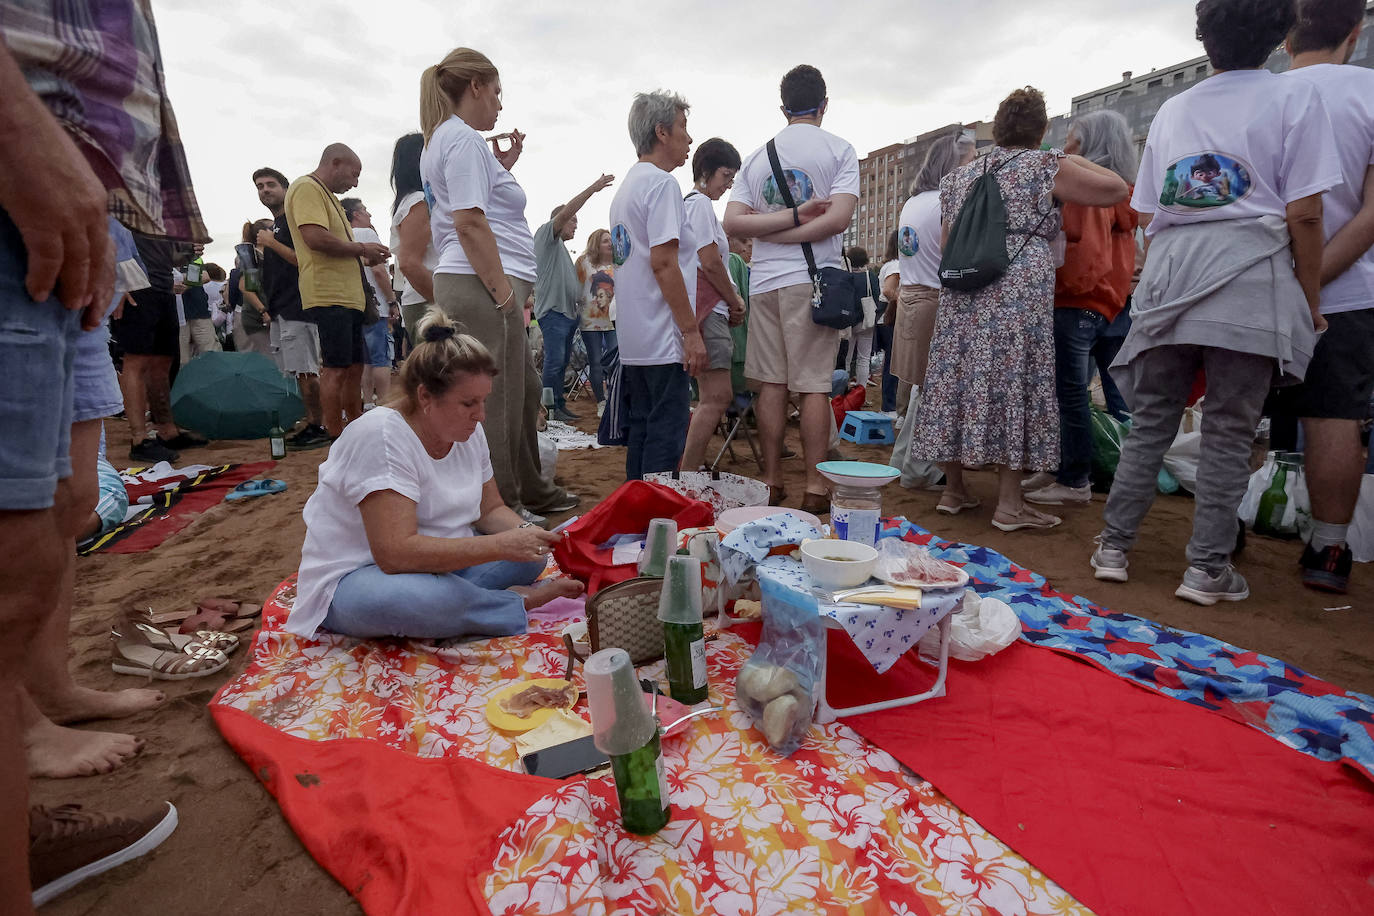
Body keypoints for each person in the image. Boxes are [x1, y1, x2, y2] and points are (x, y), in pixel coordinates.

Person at [0, 2, 202, 904]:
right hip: (29, 175)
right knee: (12, 557)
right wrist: (17, 131)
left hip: (78, 202)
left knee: (59, 516)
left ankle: (41, 707)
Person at [1090, 0, 1338, 605]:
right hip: (1250, 270)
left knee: (1151, 420)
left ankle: (1113, 548)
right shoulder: (1295, 98)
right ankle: (1206, 569)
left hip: (1173, 271)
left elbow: (1148, 209)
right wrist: (1311, 299)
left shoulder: (1174, 108)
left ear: (1204, 38)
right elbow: (1304, 211)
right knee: (1229, 428)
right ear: (1281, 36)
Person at [287, 311, 584, 640]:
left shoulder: (469, 430)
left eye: (483, 400)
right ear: (425, 396)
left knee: (530, 560)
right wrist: (500, 546)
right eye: (469, 402)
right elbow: (395, 553)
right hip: (361, 577)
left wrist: (530, 536)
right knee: (417, 600)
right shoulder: (380, 436)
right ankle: (510, 602)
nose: (481, 415)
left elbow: (489, 511)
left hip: (438, 563)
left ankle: (465, 602)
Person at [912, 87, 1128, 531]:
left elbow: (950, 239)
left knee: (957, 375)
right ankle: (1009, 506)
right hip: (1016, 282)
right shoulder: (1042, 166)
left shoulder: (958, 178)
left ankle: (954, 491)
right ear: (1042, 129)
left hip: (964, 283)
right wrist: (1065, 156)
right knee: (1016, 380)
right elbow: (1115, 189)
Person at [419, 47, 578, 521]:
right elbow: (467, 223)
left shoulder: (446, 141)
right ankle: (502, 505)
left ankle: (525, 487)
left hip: (478, 277)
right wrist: (504, 294)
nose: (500, 105)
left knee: (522, 391)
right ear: (475, 87)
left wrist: (500, 168)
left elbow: (469, 209)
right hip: (483, 281)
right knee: (497, 401)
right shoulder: (463, 140)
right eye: (497, 91)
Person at [1271, 0, 1374, 593]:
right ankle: (1329, 551)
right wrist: (1314, 285)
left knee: (1234, 411)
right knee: (1335, 414)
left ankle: (1217, 534)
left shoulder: (1259, 96)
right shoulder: (1368, 91)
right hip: (1348, 289)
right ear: (1354, 35)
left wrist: (1287, 283)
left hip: (1254, 287)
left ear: (1286, 40)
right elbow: (1369, 214)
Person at [723, 64, 857, 513]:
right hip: (812, 280)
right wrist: (800, 220)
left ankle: (772, 479)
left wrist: (773, 234)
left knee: (771, 386)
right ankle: (816, 487)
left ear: (783, 108)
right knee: (814, 386)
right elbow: (838, 220)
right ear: (824, 104)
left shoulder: (757, 158)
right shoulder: (839, 150)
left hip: (764, 283)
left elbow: (735, 221)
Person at [1024, 110, 1140, 508]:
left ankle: (1074, 479)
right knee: (1088, 392)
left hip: (1076, 300)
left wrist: (1056, 288)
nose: (1065, 147)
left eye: (1072, 139)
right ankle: (1065, 467)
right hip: (1107, 301)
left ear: (1090, 145)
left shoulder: (1087, 193)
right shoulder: (1120, 192)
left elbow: (1086, 253)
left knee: (1069, 392)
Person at [606, 90, 709, 479]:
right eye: (683, 127)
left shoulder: (627, 188)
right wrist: (690, 331)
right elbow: (664, 263)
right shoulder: (662, 185)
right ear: (662, 132)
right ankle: (656, 526)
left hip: (636, 338)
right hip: (662, 335)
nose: (689, 139)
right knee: (664, 441)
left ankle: (638, 522)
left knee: (643, 434)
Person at [285, 144, 389, 439]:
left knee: (354, 365)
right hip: (330, 293)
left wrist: (365, 256)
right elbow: (314, 238)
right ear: (336, 162)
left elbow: (332, 245)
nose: (354, 183)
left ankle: (354, 426)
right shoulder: (307, 188)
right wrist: (361, 248)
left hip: (347, 295)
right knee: (336, 367)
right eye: (354, 174)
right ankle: (335, 433)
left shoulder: (327, 196)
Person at [680, 138, 747, 471]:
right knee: (717, 395)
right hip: (709, 310)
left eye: (732, 177)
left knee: (711, 396)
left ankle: (690, 468)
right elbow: (708, 261)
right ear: (706, 170)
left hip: (704, 310)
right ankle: (689, 471)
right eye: (725, 174)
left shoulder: (691, 205)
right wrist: (733, 299)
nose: (728, 183)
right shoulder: (700, 205)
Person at [110, 232, 207, 462]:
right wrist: (116, 284)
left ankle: (167, 432)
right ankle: (139, 439)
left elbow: (166, 256)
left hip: (163, 288)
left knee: (162, 362)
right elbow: (104, 233)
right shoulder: (122, 202)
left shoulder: (159, 212)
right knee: (136, 361)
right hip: (134, 287)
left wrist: (186, 251)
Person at [253, 167, 330, 447]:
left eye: (271, 184)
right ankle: (313, 420)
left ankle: (318, 425)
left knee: (307, 369)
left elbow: (305, 261)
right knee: (299, 371)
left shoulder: (294, 221)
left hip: (300, 306)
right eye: (260, 186)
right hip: (282, 308)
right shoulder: (275, 227)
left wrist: (271, 243)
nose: (265, 190)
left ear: (285, 188)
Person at [534, 174, 616, 422]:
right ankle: (548, 409)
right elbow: (566, 210)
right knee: (555, 360)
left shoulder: (561, 250)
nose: (576, 225)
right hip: (554, 313)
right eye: (573, 221)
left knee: (560, 363)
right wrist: (592, 189)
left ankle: (558, 404)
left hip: (567, 315)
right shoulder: (547, 236)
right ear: (560, 220)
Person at [342, 197, 400, 410]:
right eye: (365, 210)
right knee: (380, 357)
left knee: (364, 358)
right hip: (375, 304)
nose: (369, 215)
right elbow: (378, 270)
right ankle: (385, 402)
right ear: (356, 214)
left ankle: (367, 402)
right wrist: (392, 300)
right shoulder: (367, 234)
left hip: (353, 303)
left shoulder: (343, 237)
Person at [388, 132, 438, 347]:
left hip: (423, 300)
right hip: (427, 301)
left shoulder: (413, 200)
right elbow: (409, 262)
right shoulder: (418, 202)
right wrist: (445, 303)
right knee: (443, 375)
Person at [574, 229, 617, 414]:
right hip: (590, 321)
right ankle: (601, 402)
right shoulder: (584, 262)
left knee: (615, 360)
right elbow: (576, 289)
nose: (610, 243)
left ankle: (615, 398)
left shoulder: (618, 263)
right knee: (596, 361)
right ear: (596, 244)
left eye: (610, 240)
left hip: (614, 319)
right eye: (605, 241)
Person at [232, 220, 273, 357]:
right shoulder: (251, 257)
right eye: (272, 229)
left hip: (265, 317)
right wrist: (264, 312)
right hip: (257, 319)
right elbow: (246, 288)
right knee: (270, 361)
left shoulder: (268, 257)